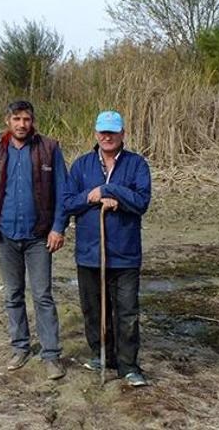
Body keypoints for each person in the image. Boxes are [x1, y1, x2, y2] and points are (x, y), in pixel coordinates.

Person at [0, 100, 69, 380]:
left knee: (43, 296)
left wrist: (58, 228)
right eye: (16, 119)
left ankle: (51, 356)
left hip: (39, 237)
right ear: (7, 121)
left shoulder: (49, 149)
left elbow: (63, 193)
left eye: (27, 119)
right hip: (6, 235)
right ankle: (20, 348)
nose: (22, 124)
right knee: (12, 295)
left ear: (33, 121)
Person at [63, 110, 151, 387]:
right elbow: (68, 202)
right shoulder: (81, 166)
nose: (107, 136)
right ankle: (102, 355)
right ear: (95, 133)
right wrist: (93, 198)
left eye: (113, 131)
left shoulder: (137, 165)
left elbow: (141, 201)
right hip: (89, 254)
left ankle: (128, 367)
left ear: (123, 134)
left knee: (126, 312)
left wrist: (112, 192)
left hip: (125, 255)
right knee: (93, 309)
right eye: (103, 131)